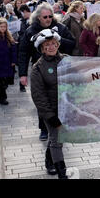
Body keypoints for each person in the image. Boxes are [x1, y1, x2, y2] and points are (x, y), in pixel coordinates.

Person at [17, 3, 75, 141]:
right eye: (45, 17)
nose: (48, 19)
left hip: (60, 68)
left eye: (50, 16)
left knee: (60, 99)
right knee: (42, 100)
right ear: (38, 18)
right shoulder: (31, 30)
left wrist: (59, 38)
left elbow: (72, 44)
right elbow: (23, 52)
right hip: (41, 68)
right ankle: (44, 128)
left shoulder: (60, 27)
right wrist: (22, 74)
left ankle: (61, 125)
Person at [30, 28, 69, 178]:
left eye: (53, 44)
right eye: (47, 45)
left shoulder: (66, 59)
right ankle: (62, 173)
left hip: (66, 109)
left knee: (56, 138)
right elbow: (38, 96)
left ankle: (48, 160)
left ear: (58, 44)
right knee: (57, 140)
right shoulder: (37, 68)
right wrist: (50, 116)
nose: (51, 47)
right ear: (42, 48)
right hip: (51, 111)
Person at [0, 17, 17, 105]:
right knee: (1, 82)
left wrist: (14, 61)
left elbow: (13, 49)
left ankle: (1, 96)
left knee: (5, 82)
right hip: (0, 63)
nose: (3, 28)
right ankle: (2, 98)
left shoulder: (9, 37)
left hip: (7, 63)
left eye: (4, 27)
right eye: (1, 26)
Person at [17, 5, 32, 92]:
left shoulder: (33, 20)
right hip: (23, 45)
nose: (23, 14)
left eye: (23, 12)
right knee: (23, 65)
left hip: (31, 45)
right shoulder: (20, 21)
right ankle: (21, 85)